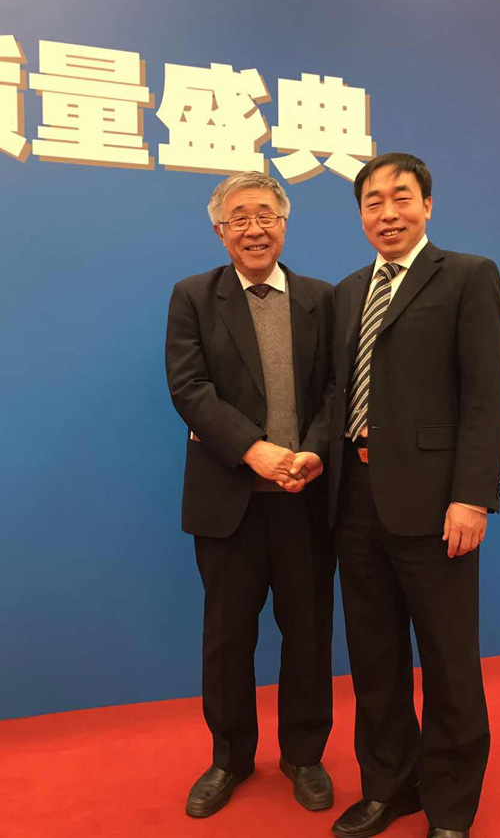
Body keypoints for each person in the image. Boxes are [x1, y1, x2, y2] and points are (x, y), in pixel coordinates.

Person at [299, 152, 500, 838]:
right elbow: (337, 392)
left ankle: (450, 805)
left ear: (427, 205)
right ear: (360, 214)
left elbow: (486, 398)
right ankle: (389, 786)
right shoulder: (347, 291)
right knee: (374, 657)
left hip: (436, 503)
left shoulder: (469, 276)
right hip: (354, 499)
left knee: (449, 661)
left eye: (401, 198)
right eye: (373, 202)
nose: (387, 213)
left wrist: (471, 496)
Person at [165, 172, 335, 819]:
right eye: (239, 218)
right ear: (220, 231)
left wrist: (313, 450)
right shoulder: (193, 296)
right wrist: (254, 449)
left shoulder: (322, 299)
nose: (254, 229)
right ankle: (230, 757)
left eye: (266, 215)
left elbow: (336, 391)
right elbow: (189, 389)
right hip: (229, 500)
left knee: (309, 634)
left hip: (305, 498)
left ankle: (304, 754)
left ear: (284, 225)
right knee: (227, 638)